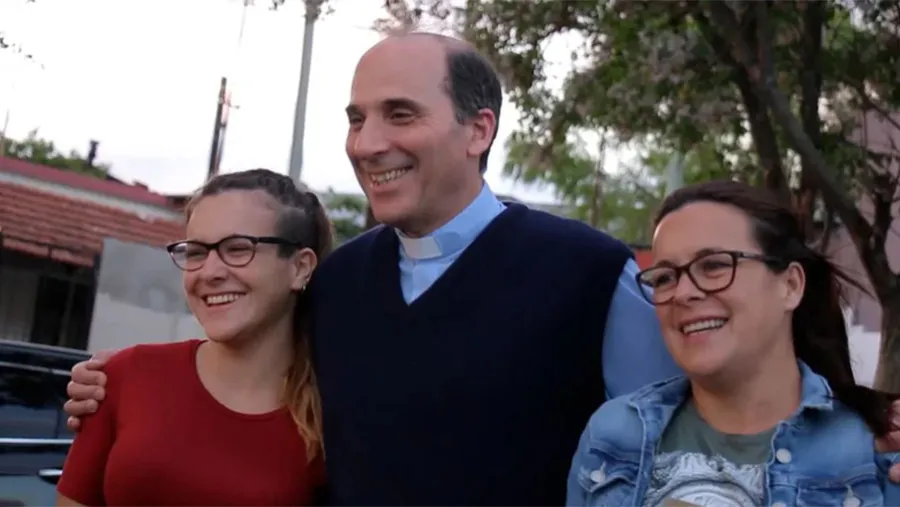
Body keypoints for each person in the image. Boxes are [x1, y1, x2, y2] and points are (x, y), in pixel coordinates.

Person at [60, 33, 900, 504]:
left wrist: (863, 436)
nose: (368, 142)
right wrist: (113, 387)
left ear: (477, 129)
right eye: (356, 118)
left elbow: (700, 430)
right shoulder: (338, 282)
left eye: (399, 114)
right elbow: (245, 382)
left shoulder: (591, 274)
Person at [567, 180, 900, 507]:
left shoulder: (880, 447)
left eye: (714, 265)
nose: (683, 293)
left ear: (791, 285)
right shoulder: (614, 434)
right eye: (665, 277)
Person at [56, 169, 330, 506]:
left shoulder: (335, 416)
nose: (210, 272)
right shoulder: (123, 376)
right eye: (197, 252)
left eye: (238, 248)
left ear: (300, 267)